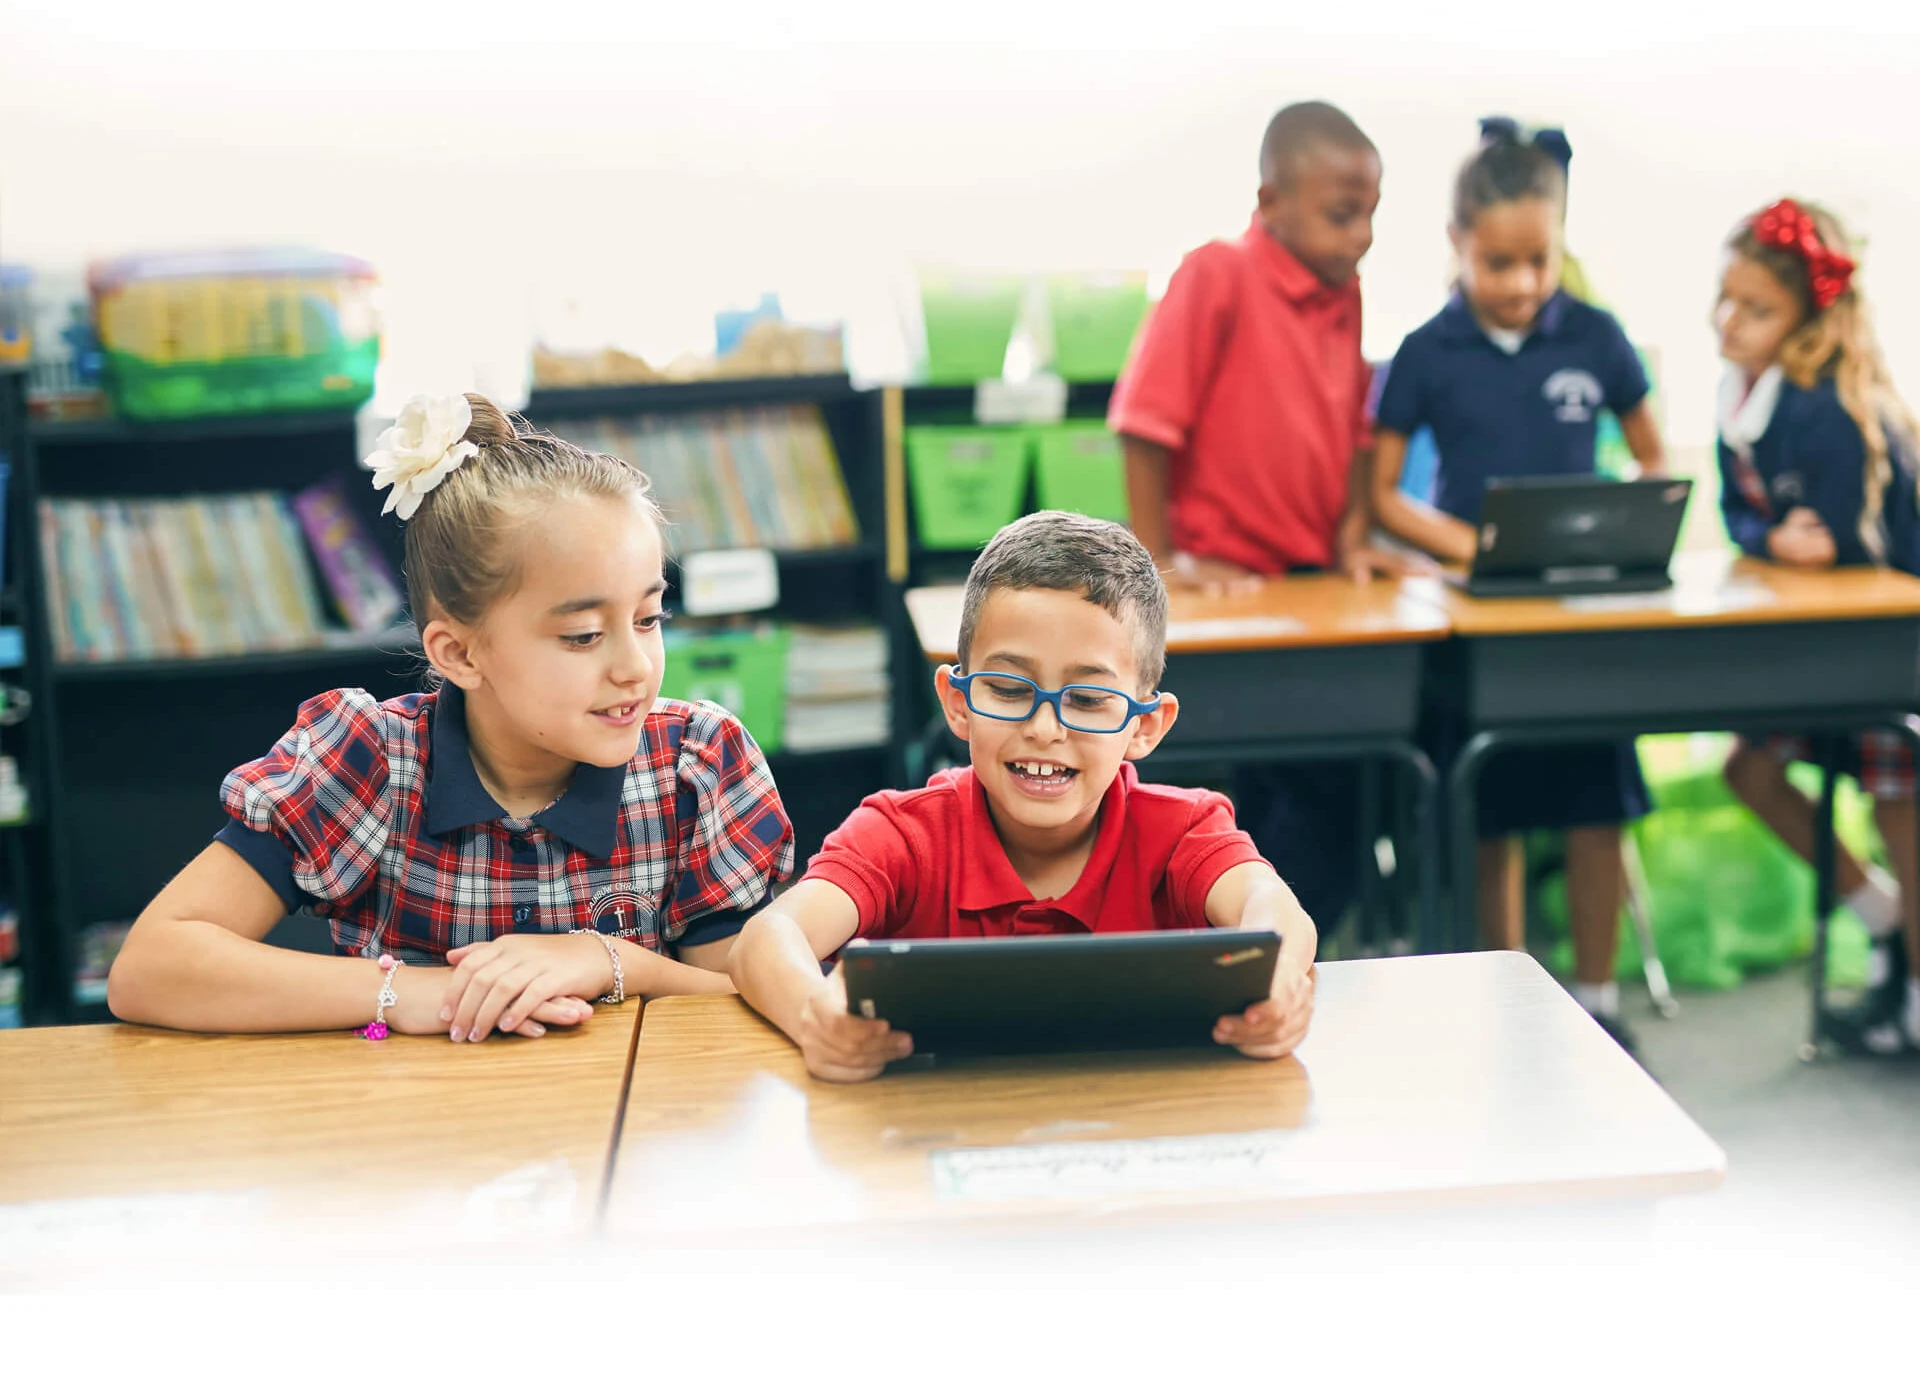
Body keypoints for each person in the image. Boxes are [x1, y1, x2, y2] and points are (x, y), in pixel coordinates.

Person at [108, 392, 793, 1040]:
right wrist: (415, 994)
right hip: (413, 1139)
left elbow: (755, 1001)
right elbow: (150, 969)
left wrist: (611, 961)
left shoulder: (697, 764)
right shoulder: (369, 758)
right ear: (460, 652)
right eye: (584, 634)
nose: (636, 667)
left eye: (649, 618)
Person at [729, 511, 1318, 1082]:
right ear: (957, 701)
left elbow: (1271, 907)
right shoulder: (901, 835)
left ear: (1145, 726)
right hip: (926, 1150)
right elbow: (768, 938)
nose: (1044, 728)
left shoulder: (1184, 829)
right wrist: (816, 1020)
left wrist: (1280, 986)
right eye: (1009, 689)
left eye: (1087, 700)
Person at [1366, 121, 1667, 1051]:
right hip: (1480, 619)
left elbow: (1654, 460)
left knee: (1595, 804)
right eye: (1500, 262)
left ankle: (1599, 999)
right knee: (1490, 805)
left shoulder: (1596, 335)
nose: (1524, 283)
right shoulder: (1427, 351)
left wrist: (1607, 522)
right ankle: (1507, 1000)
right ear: (1456, 243)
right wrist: (1476, 544)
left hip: (1577, 621)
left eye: (1541, 259)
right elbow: (1381, 496)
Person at [1107, 98, 1401, 932]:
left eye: (1374, 214)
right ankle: (1227, 964)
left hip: (1310, 592)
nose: (1364, 235)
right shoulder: (1217, 273)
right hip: (1220, 599)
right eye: (1343, 214)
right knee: (1243, 816)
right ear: (1270, 202)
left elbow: (1349, 432)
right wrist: (1160, 562)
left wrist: (1352, 537)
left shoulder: (1346, 292)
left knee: (1346, 799)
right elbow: (1143, 424)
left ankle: (1283, 963)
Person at [1713, 197, 1920, 1054]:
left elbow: (1849, 541)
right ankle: (1888, 923)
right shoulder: (1741, 397)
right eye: (1723, 299)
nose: (1729, 322)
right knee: (1748, 770)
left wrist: (1812, 547)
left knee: (1897, 798)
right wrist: (1770, 539)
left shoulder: (1830, 407)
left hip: (1886, 650)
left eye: (1756, 308)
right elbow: (1739, 516)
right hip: (1814, 645)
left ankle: (1913, 988)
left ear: (1811, 314)